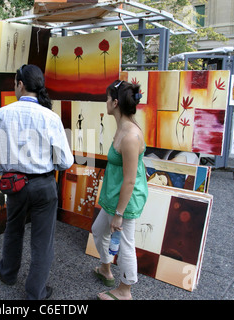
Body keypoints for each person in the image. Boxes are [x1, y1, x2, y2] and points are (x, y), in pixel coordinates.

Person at [0, 64, 74, 300]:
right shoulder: (51, 117)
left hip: (14, 184)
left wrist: (4, 172)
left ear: (20, 84)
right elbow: (66, 161)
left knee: (13, 229)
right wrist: (47, 166)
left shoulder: (2, 113)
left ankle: (7, 272)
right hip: (44, 185)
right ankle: (35, 292)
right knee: (42, 241)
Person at [91, 80, 148, 300]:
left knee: (126, 244)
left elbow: (130, 180)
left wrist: (119, 214)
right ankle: (106, 268)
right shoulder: (123, 127)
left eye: (107, 98)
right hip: (114, 196)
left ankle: (125, 291)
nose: (105, 102)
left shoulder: (130, 136)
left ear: (115, 102)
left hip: (126, 200)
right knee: (98, 230)